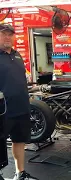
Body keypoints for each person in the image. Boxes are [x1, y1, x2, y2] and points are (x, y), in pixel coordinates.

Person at [0, 23, 38, 180]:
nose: (8, 37)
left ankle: (20, 173)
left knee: (19, 140)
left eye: (10, 34)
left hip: (21, 107)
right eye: (4, 34)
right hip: (3, 109)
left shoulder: (17, 55)